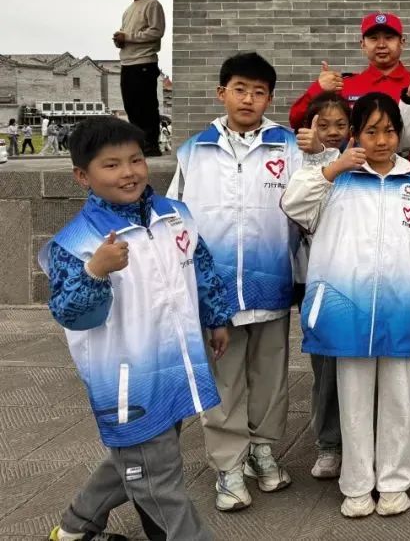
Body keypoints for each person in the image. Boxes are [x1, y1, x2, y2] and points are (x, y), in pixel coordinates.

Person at [42, 116, 233, 541]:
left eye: (135, 160)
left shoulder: (174, 214)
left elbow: (200, 265)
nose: (128, 172)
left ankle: (74, 529)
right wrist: (95, 271)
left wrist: (216, 316)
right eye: (111, 165)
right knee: (157, 477)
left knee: (139, 455)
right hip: (127, 382)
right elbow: (71, 313)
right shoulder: (77, 241)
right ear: (82, 176)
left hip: (178, 364)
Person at [282, 92, 410, 518]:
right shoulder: (335, 177)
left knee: (397, 398)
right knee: (352, 400)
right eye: (371, 131)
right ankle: (355, 485)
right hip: (347, 310)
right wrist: (332, 167)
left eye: (389, 131)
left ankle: (394, 481)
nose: (382, 140)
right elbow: (294, 204)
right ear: (356, 134)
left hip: (397, 308)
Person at [167, 52, 303, 512]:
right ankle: (228, 466)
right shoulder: (194, 151)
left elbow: (308, 205)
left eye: (259, 92)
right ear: (221, 92)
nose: (248, 99)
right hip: (216, 292)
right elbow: (176, 219)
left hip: (272, 283)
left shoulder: (288, 147)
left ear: (270, 98)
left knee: (270, 375)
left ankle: (262, 450)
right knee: (224, 381)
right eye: (240, 89)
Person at [291, 91, 352, 480]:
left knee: (361, 367)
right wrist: (320, 160)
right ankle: (329, 443)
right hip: (320, 282)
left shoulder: (361, 163)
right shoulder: (302, 164)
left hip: (360, 281)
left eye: (340, 125)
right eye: (323, 124)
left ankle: (361, 440)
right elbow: (297, 209)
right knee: (326, 367)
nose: (332, 132)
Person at [288, 11, 410, 168]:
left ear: (402, 42)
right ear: (363, 44)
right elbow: (296, 121)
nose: (381, 45)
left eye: (389, 38)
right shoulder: (344, 86)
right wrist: (318, 88)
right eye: (373, 38)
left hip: (409, 174)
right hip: (353, 173)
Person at [114, 0, 166, 157]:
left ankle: (150, 145)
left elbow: (157, 31)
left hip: (144, 61)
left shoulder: (151, 4)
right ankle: (139, 144)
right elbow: (127, 34)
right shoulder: (128, 10)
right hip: (127, 63)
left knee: (146, 106)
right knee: (132, 107)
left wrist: (127, 37)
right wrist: (120, 40)